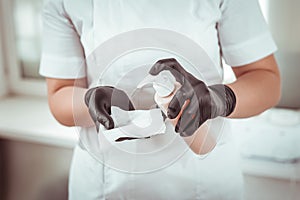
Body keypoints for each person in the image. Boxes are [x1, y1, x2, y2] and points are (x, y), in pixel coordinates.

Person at [40, 0, 281, 199]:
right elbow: (59, 94)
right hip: (105, 183)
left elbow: (267, 81)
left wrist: (217, 99)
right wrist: (89, 102)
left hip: (205, 180)